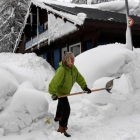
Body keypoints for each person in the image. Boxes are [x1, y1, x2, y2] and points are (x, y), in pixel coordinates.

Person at [48, 52, 91, 137]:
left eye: (73, 58)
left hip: (65, 91)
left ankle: (58, 117)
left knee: (61, 104)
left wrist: (85, 87)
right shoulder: (62, 70)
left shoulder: (73, 68)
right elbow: (54, 82)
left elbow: (79, 78)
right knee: (66, 109)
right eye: (71, 59)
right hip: (60, 91)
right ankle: (62, 128)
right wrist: (53, 93)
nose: (73, 60)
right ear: (66, 60)